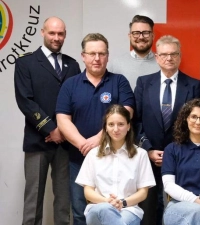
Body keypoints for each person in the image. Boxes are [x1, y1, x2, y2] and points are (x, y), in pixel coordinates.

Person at [56, 33, 135, 225]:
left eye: (101, 53)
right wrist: (83, 144)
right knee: (79, 211)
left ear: (108, 56)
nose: (97, 58)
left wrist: (99, 138)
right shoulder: (70, 84)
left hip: (114, 160)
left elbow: (127, 111)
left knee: (114, 210)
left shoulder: (119, 82)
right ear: (83, 56)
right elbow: (62, 119)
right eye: (92, 53)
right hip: (79, 159)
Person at [14, 16, 81, 225]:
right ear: (42, 32)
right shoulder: (26, 62)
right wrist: (51, 129)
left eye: (60, 33)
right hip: (38, 140)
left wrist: (64, 131)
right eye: (52, 33)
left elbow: (76, 102)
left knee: (64, 201)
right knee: (33, 201)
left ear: (65, 35)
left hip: (66, 144)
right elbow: (25, 101)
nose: (56, 37)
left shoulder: (72, 65)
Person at [134, 35, 200, 225]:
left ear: (180, 57)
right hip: (149, 159)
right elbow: (135, 121)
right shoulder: (143, 83)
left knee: (177, 212)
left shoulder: (194, 85)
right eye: (164, 54)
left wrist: (177, 151)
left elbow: (196, 124)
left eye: (173, 54)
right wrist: (147, 149)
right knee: (149, 211)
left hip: (182, 160)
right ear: (156, 57)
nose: (169, 58)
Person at [75, 104, 156, 225]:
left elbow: (143, 192)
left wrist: (122, 203)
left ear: (128, 126)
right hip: (98, 208)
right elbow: (88, 191)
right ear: (105, 128)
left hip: (129, 210)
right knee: (105, 210)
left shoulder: (141, 154)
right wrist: (107, 202)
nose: (116, 129)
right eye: (111, 124)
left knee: (120, 221)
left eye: (121, 124)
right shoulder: (93, 154)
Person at [108, 15, 159, 90]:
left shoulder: (164, 63)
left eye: (146, 33)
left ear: (153, 36)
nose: (141, 37)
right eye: (136, 33)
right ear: (130, 36)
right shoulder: (116, 64)